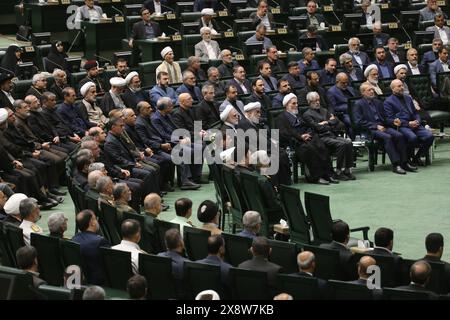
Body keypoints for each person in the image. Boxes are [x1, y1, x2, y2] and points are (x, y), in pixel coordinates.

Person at [353, 83, 415, 174]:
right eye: (369, 90)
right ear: (363, 92)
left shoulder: (377, 102)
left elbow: (385, 118)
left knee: (399, 135)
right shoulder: (358, 104)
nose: (372, 91)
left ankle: (404, 162)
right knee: (387, 137)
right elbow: (358, 122)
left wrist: (393, 121)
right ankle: (396, 164)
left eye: (372, 90)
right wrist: (375, 126)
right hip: (370, 130)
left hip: (382, 126)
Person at [277, 93, 332, 184]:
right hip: (295, 142)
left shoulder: (298, 115)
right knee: (310, 149)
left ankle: (327, 174)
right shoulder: (281, 118)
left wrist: (308, 134)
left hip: (306, 138)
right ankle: (315, 177)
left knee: (320, 145)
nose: (296, 105)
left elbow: (308, 126)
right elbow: (284, 133)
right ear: (286, 105)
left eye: (297, 103)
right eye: (293, 103)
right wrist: (300, 137)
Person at [303, 91, 354, 181]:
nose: (318, 102)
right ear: (309, 102)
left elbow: (337, 122)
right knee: (341, 144)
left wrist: (326, 122)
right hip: (321, 138)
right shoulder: (307, 114)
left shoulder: (324, 110)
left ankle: (347, 170)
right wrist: (330, 123)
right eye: (314, 101)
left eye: (318, 100)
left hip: (331, 134)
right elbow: (317, 128)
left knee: (348, 142)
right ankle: (338, 171)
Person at [384, 79, 434, 166]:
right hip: (402, 126)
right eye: (399, 86)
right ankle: (407, 158)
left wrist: (418, 120)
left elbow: (415, 113)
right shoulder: (388, 102)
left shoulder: (408, 98)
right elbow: (390, 119)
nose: (402, 88)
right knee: (412, 137)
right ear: (393, 89)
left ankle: (416, 157)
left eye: (402, 85)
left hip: (415, 124)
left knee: (429, 136)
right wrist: (408, 123)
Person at [72, 209, 111, 285]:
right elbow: (110, 265)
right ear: (91, 222)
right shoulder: (100, 242)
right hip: (100, 285)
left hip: (80, 282)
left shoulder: (73, 239)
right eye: (95, 219)